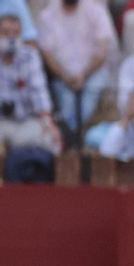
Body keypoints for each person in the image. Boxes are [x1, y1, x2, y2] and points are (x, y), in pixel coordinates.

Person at [36, 0, 115, 135]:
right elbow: (47, 54)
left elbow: (102, 52)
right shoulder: (47, 15)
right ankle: (71, 139)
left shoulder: (96, 11)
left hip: (92, 72)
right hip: (62, 75)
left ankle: (74, 137)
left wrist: (84, 76)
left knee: (88, 100)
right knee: (67, 106)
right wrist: (65, 78)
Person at [0, 14, 59, 158]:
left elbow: (40, 91)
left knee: (50, 139)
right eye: (6, 33)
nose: (11, 38)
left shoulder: (30, 56)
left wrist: (47, 121)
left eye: (15, 33)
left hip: (25, 122)